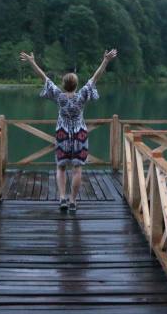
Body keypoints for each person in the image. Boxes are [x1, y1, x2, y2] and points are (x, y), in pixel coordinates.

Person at [20, 49, 117, 212]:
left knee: (61, 167)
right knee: (77, 168)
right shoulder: (81, 97)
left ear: (64, 85)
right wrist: (105, 61)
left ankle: (62, 198)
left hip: (63, 134)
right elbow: (95, 78)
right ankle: (73, 201)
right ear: (76, 85)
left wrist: (32, 63)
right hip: (79, 134)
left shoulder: (59, 96)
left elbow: (44, 78)